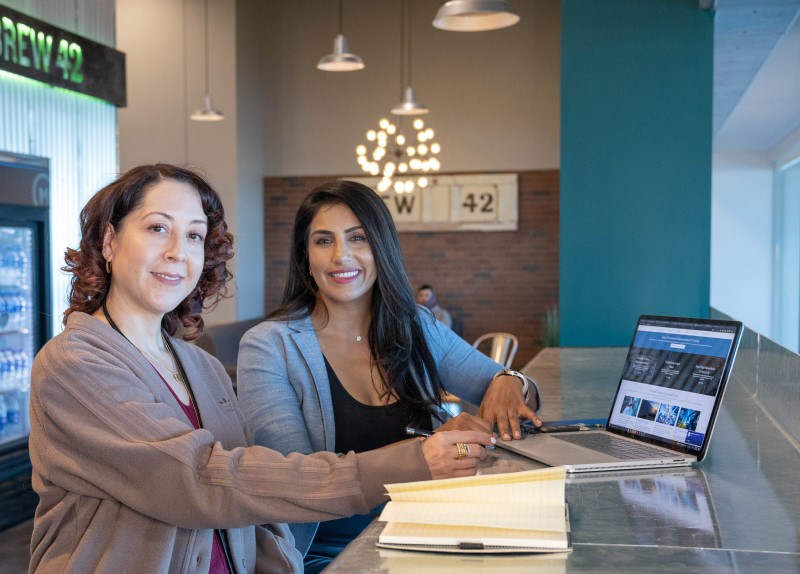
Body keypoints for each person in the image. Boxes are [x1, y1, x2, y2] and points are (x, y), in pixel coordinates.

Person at [27, 164, 495, 574]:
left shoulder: (201, 366)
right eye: (156, 228)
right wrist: (409, 462)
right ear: (109, 240)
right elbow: (201, 479)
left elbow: (256, 508)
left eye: (193, 235)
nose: (177, 251)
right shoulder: (75, 364)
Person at [236, 180, 541, 572]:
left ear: (381, 248)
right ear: (305, 256)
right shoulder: (268, 346)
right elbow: (297, 482)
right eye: (324, 241)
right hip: (325, 555)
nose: (341, 256)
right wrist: (423, 455)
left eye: (358, 238)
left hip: (431, 533)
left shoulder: (416, 325)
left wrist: (510, 381)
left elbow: (521, 396)